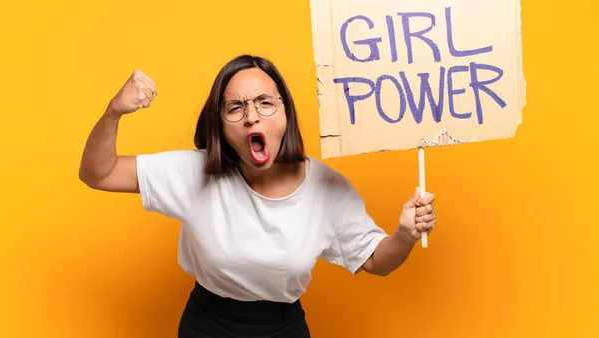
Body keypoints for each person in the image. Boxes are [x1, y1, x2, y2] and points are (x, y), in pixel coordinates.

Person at [79, 54, 437, 338]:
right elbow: (98, 173)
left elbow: (377, 262)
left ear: (286, 113)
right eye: (235, 107)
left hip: (282, 329)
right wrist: (114, 112)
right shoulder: (195, 173)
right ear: (219, 123)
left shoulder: (327, 188)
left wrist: (404, 235)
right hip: (208, 326)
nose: (252, 117)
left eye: (265, 102)